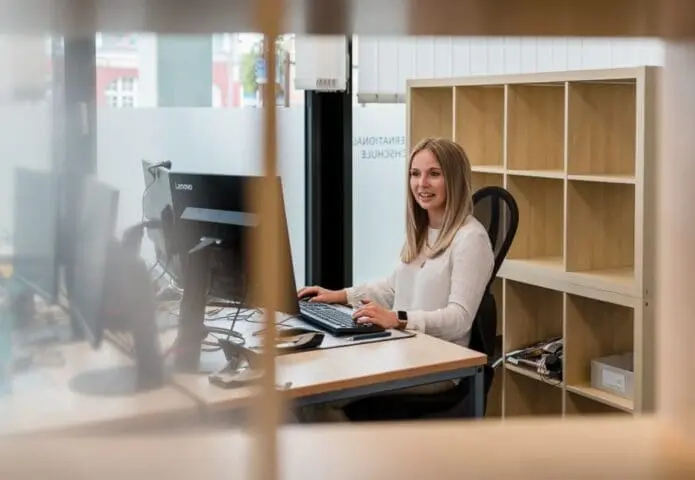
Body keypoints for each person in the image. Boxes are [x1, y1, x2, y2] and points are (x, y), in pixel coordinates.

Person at [295, 137, 494, 422]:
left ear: (455, 179)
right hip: (403, 349)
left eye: (434, 174)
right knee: (307, 390)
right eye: (415, 173)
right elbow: (391, 287)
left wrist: (397, 319)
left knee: (316, 403)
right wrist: (338, 295)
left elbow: (459, 318)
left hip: (439, 364)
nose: (421, 183)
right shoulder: (423, 230)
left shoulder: (470, 238)